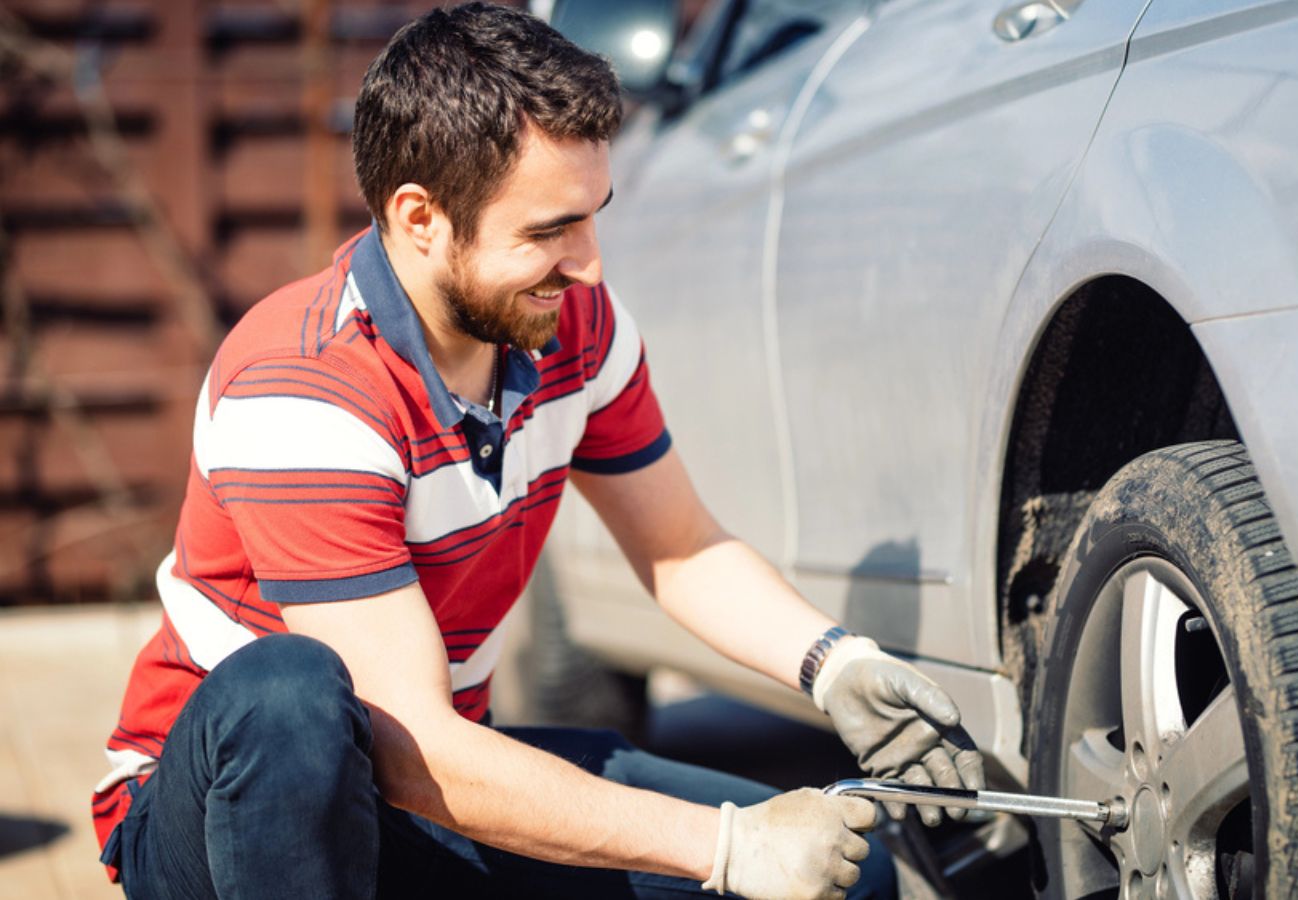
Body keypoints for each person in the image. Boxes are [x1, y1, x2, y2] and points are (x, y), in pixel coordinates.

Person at [89, 5, 984, 899]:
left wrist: (836, 664)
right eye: (550, 231)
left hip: (425, 793)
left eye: (593, 216)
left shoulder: (573, 326)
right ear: (420, 219)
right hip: (223, 821)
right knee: (288, 694)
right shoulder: (306, 388)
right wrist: (723, 847)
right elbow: (411, 742)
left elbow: (681, 548)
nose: (589, 264)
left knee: (845, 879)